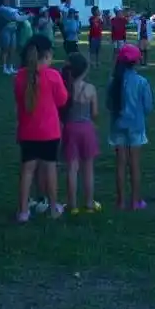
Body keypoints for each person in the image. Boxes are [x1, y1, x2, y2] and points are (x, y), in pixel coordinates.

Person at [13, 34, 67, 222]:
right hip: (49, 132)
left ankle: (23, 211)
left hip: (27, 131)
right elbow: (62, 100)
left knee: (27, 170)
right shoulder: (53, 76)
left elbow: (19, 100)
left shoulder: (20, 76)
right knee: (50, 168)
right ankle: (53, 208)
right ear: (47, 55)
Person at [106, 43, 153, 210]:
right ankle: (135, 201)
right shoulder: (142, 82)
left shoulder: (113, 81)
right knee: (134, 165)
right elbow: (148, 107)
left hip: (117, 126)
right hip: (136, 127)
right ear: (136, 62)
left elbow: (109, 105)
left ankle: (120, 201)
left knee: (120, 164)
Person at [58, 51, 100, 213]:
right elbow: (95, 113)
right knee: (88, 168)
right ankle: (89, 203)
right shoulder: (91, 89)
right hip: (87, 128)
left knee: (72, 168)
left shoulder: (65, 88)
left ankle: (72, 205)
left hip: (70, 128)